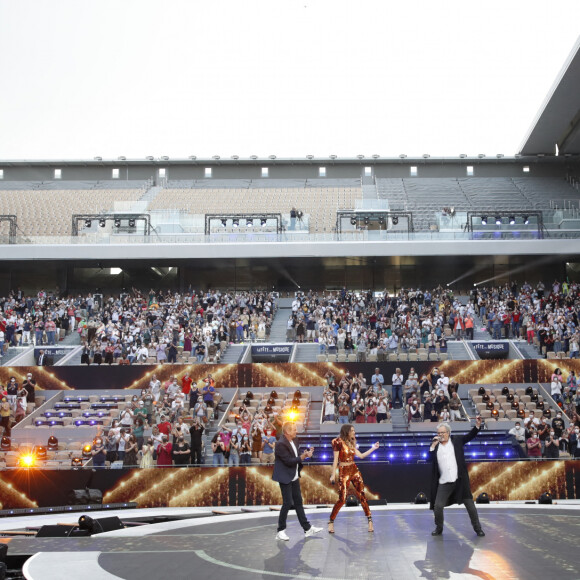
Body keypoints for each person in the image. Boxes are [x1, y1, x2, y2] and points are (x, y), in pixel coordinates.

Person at [429, 418, 485, 537]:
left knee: (470, 506)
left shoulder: (457, 440)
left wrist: (477, 425)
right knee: (438, 506)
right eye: (438, 433)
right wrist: (433, 446)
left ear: (448, 433)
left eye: (442, 433)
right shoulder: (436, 446)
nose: (440, 435)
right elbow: (428, 460)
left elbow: (470, 436)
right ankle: (439, 528)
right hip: (444, 483)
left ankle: (478, 528)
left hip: (460, 481)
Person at [271, 421, 322, 541]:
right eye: (294, 429)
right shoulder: (280, 444)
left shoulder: (295, 440)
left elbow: (295, 456)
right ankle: (280, 531)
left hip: (293, 475)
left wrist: (305, 454)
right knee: (287, 503)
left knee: (298, 502)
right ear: (287, 432)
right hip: (285, 476)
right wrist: (302, 457)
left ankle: (307, 529)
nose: (296, 431)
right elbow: (288, 461)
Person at [328, 424, 379, 533]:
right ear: (346, 431)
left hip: (354, 470)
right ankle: (331, 521)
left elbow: (361, 456)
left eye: (354, 430)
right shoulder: (337, 442)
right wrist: (333, 474)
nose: (354, 432)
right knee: (342, 499)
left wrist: (373, 448)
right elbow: (335, 460)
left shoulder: (351, 443)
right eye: (352, 430)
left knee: (362, 495)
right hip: (344, 471)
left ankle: (370, 521)